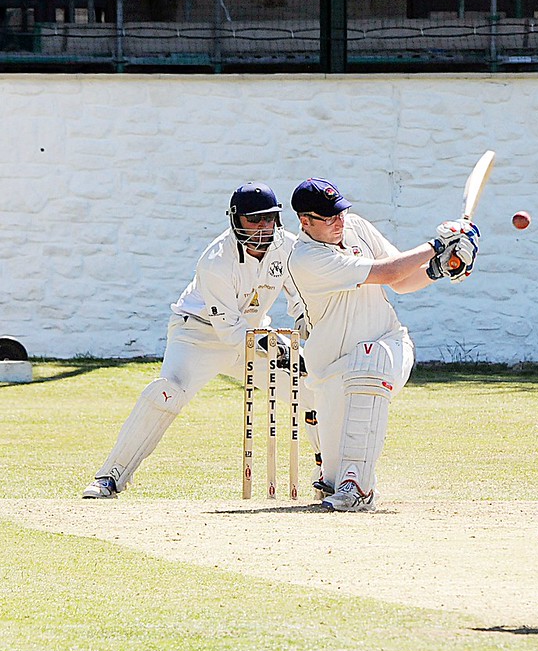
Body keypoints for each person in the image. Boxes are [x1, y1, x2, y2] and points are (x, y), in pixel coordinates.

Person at [82, 182, 322, 498]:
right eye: (255, 219)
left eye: (269, 218)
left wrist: (306, 327)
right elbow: (229, 331)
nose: (264, 227)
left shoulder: (287, 247)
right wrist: (273, 345)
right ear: (236, 220)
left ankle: (328, 474)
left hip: (253, 333)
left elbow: (298, 295)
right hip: (197, 334)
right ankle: (110, 477)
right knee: (167, 394)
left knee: (311, 385)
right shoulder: (216, 261)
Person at [286, 177, 479, 512]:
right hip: (331, 367)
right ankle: (341, 480)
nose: (340, 222)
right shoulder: (306, 258)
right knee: (334, 477)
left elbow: (402, 282)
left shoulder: (356, 227)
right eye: (329, 218)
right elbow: (388, 273)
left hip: (387, 344)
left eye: (341, 213)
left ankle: (358, 488)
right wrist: (437, 245)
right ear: (306, 221)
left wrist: (441, 268)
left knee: (369, 360)